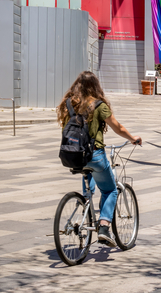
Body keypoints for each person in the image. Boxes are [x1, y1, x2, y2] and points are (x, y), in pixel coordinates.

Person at [55, 71, 141, 247]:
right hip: (94, 155)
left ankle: (85, 204)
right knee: (110, 190)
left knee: (89, 186)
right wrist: (132, 139)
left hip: (73, 155)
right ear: (95, 86)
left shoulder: (67, 104)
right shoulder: (99, 105)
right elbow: (118, 127)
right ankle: (103, 227)